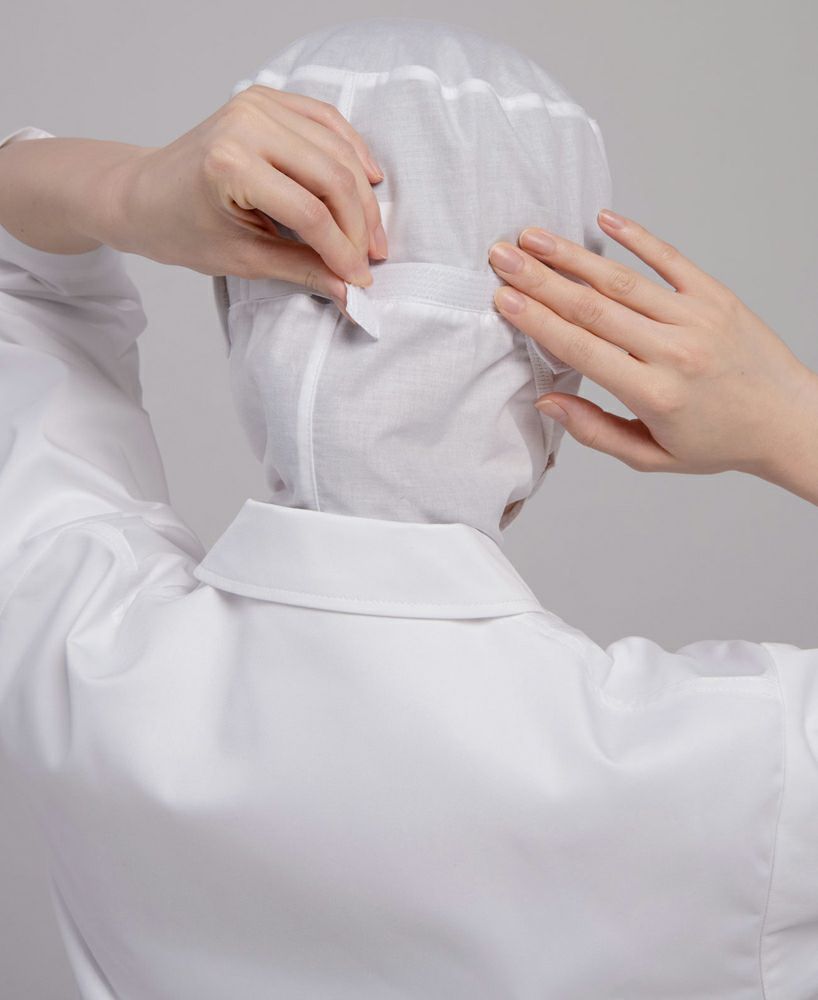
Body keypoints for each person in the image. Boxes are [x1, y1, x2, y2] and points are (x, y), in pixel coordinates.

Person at [0, 16, 815, 1000]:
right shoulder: (736, 775)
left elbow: (16, 269)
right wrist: (788, 416)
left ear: (240, 324)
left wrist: (131, 190)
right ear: (562, 369)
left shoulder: (81, 652)